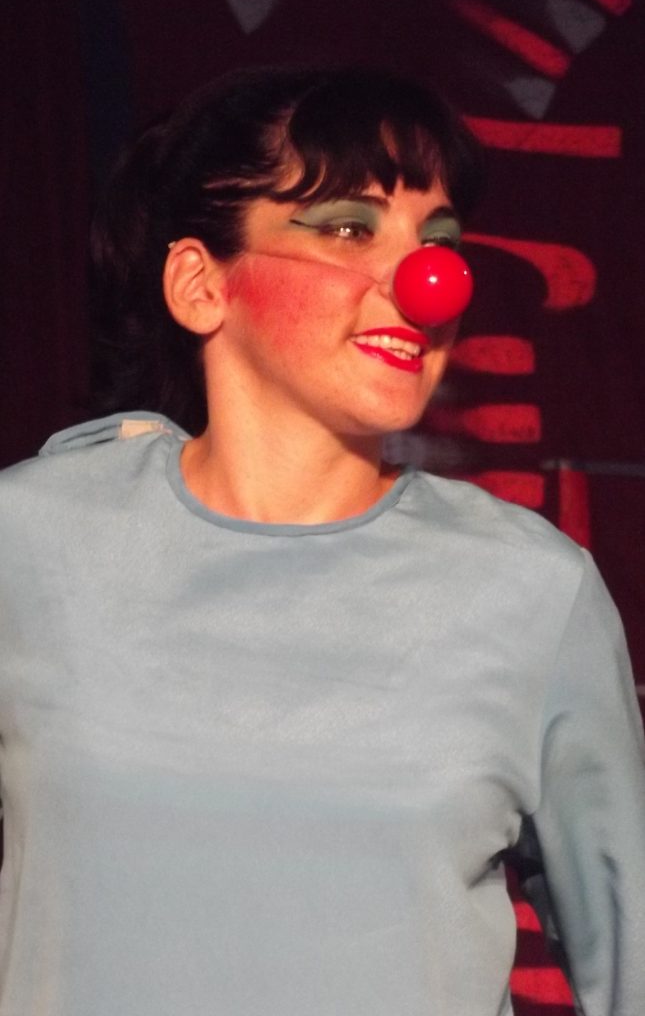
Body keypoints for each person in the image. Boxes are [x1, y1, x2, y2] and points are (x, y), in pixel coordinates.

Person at [0, 65, 643, 1016]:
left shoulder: (530, 592)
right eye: (348, 227)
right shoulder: (30, 542)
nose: (425, 282)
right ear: (199, 283)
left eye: (438, 241)